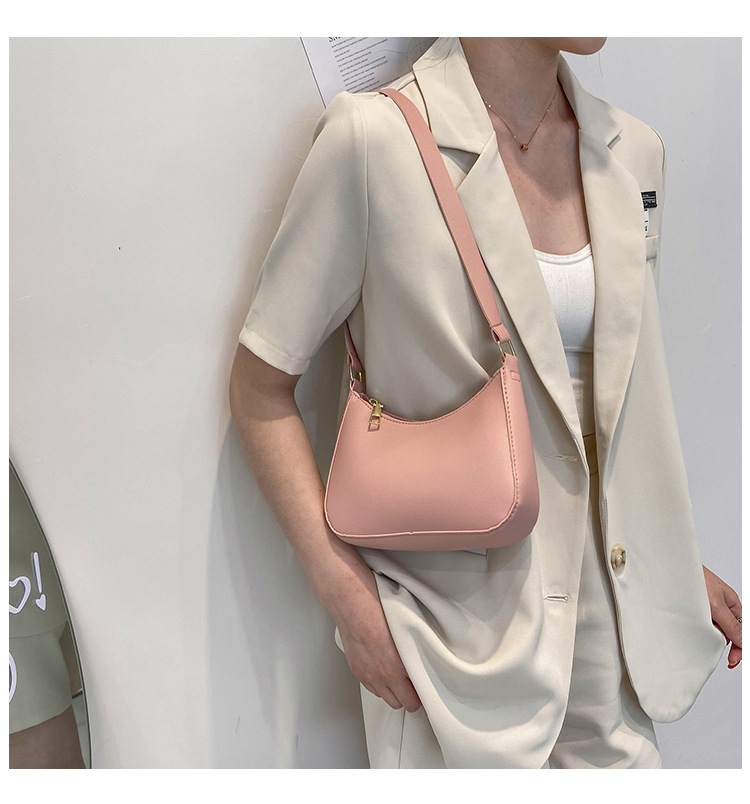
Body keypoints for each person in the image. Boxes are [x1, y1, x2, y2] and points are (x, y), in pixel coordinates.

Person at [228, 37, 741, 768]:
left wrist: (667, 561)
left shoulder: (632, 152)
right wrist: (348, 600)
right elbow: (260, 388)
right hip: (450, 660)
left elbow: (609, 408)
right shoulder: (374, 140)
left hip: (614, 656)